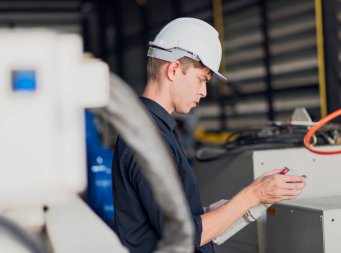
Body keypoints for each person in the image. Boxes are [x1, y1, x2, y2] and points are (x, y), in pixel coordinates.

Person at [112, 17, 306, 253]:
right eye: (201, 79)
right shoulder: (150, 140)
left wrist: (210, 212)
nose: (203, 92)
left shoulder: (155, 129)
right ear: (173, 70)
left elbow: (155, 221)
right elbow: (184, 236)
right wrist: (254, 194)